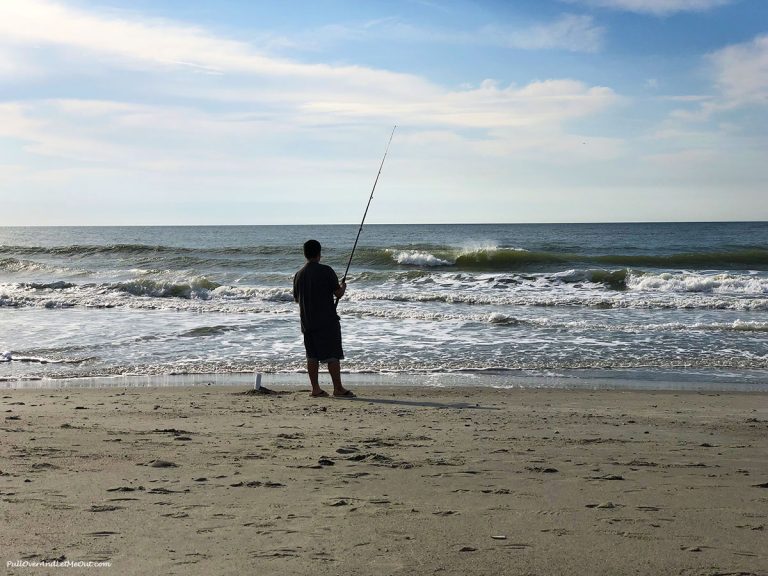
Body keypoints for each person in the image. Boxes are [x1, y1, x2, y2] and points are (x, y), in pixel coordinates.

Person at [293, 239, 354, 398]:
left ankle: (315, 389)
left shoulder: (298, 275)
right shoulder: (326, 270)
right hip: (326, 321)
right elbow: (338, 293)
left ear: (305, 254)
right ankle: (338, 388)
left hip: (307, 322)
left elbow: (297, 299)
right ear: (319, 253)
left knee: (311, 356)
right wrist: (344, 287)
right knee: (332, 355)